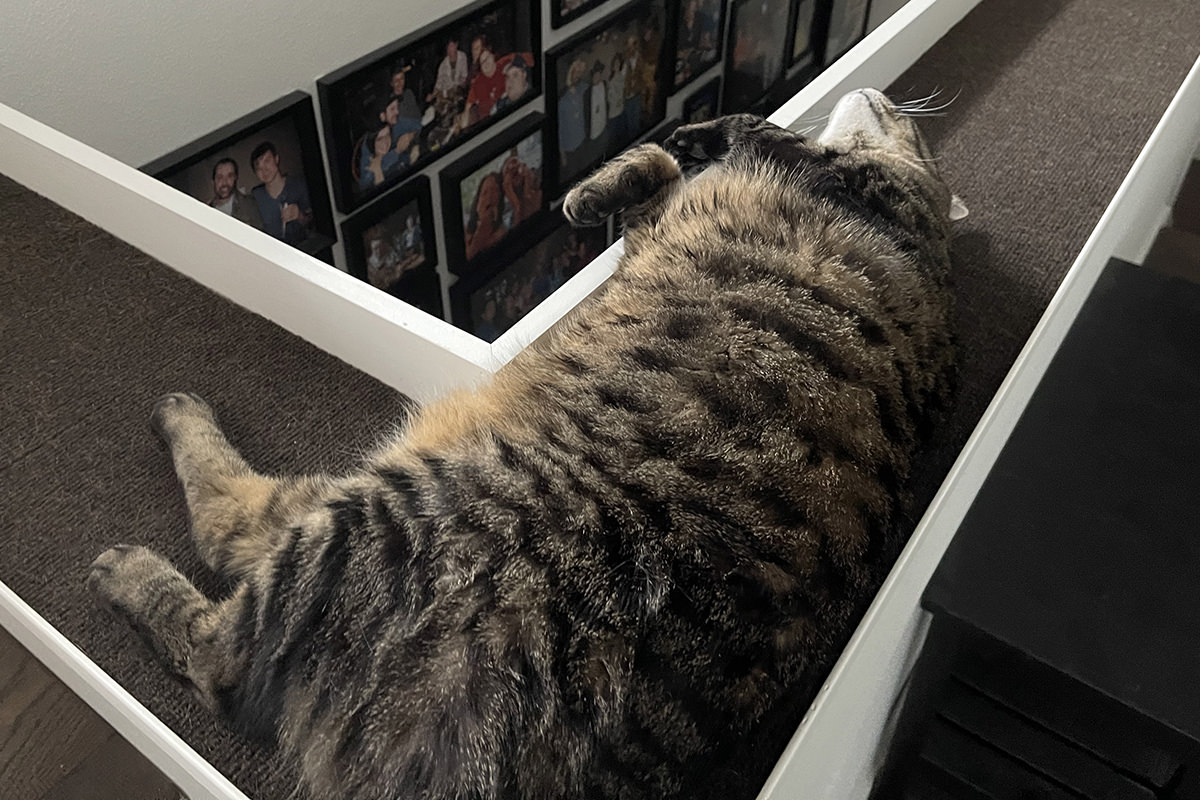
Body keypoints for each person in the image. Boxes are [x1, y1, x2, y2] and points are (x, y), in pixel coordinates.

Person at [249, 141, 313, 245]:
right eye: (258, 168)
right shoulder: (256, 196)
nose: (264, 169)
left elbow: (315, 224)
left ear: (276, 159)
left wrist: (299, 215)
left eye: (267, 161)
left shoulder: (298, 185)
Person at [207, 157, 264, 230]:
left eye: (229, 176)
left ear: (235, 178)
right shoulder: (207, 212)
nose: (224, 182)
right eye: (220, 177)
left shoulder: (249, 204)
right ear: (213, 182)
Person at [464, 172, 507, 260]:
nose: (489, 197)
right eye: (484, 193)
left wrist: (481, 231)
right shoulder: (465, 229)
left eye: (494, 191)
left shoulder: (500, 234)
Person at [557, 59, 589, 168]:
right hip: (569, 147)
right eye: (574, 72)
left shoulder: (582, 88)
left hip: (582, 140)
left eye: (579, 73)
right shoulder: (562, 101)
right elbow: (559, 129)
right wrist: (562, 154)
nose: (577, 75)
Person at [465, 40, 507, 122]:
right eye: (482, 62)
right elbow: (468, 107)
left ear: (494, 56)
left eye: (487, 58)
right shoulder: (477, 82)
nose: (486, 63)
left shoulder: (504, 65)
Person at [499, 149, 541, 227]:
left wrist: (528, 188)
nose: (514, 168)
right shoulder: (512, 219)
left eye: (515, 162)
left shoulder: (543, 179)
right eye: (509, 172)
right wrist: (516, 206)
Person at [359, 124, 401, 190]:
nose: (385, 142)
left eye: (387, 135)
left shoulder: (394, 145)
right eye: (379, 139)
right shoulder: (369, 171)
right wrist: (377, 171)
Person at [606, 53, 627, 143]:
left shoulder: (622, 77)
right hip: (613, 110)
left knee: (622, 132)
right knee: (612, 135)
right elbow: (609, 96)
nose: (616, 66)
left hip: (621, 107)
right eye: (615, 64)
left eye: (618, 64)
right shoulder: (610, 79)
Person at [588, 61, 608, 144]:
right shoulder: (589, 91)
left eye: (599, 74)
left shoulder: (603, 84)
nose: (597, 76)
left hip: (603, 122)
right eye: (596, 75)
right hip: (593, 125)